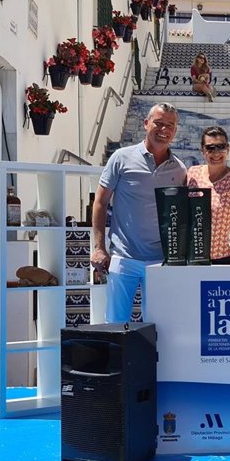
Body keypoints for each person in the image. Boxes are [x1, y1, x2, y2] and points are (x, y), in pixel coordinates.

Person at [90, 103, 187, 322]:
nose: (164, 129)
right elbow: (100, 202)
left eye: (170, 125)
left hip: (162, 261)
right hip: (124, 258)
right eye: (158, 123)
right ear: (146, 124)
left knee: (157, 326)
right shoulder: (120, 158)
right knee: (116, 324)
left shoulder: (179, 169)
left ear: (175, 130)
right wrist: (99, 248)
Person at [186, 126, 230, 265]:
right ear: (202, 150)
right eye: (210, 148)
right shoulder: (193, 174)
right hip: (195, 255)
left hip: (227, 257)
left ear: (228, 149)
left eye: (221, 147)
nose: (216, 153)